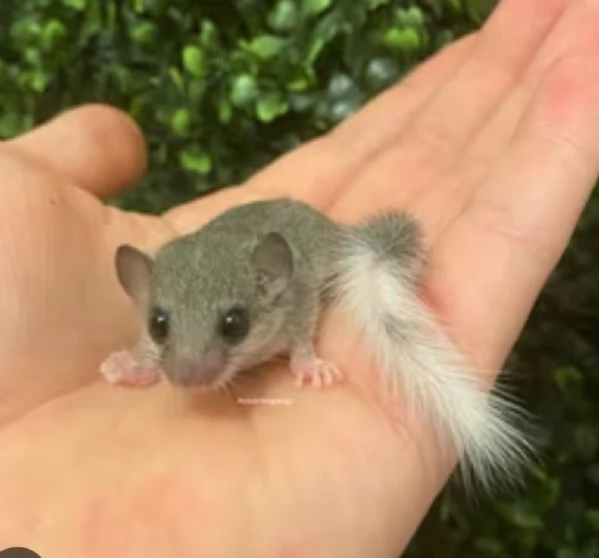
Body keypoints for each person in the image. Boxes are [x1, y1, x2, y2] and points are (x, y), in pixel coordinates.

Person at [0, 0, 597, 555]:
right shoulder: (171, 285)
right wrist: (144, 359)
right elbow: (177, 321)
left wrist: (304, 353)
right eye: (161, 328)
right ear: (143, 293)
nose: (189, 369)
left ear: (267, 288)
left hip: (295, 236)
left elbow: (299, 296)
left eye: (231, 328)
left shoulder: (283, 291)